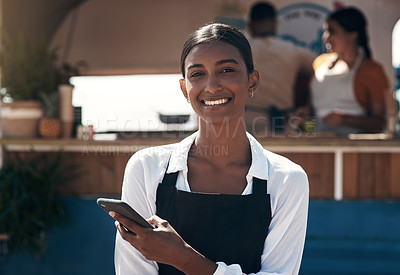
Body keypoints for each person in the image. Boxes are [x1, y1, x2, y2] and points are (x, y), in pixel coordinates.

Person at [111, 23, 309, 275]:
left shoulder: (286, 180)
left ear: (252, 81)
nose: (212, 85)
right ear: (184, 89)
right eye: (197, 74)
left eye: (226, 70)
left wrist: (182, 257)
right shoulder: (147, 168)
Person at [308, 7, 389, 135]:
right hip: (319, 145)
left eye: (331, 31)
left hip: (355, 150)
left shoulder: (372, 71)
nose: (325, 37)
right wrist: (305, 116)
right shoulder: (319, 64)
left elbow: (379, 123)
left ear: (352, 34)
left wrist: (346, 120)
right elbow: (311, 113)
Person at [245, 1, 315, 136]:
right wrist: (308, 105)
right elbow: (321, 67)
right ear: (274, 24)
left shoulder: (241, 51)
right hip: (285, 125)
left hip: (250, 125)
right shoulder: (293, 50)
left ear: (250, 26)